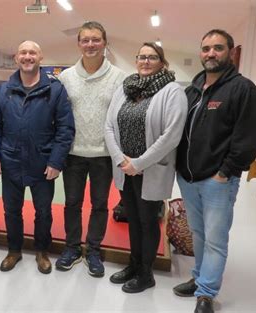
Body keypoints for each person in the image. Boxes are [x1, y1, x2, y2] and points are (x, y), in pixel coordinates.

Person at [173, 29, 256, 313]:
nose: (210, 53)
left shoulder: (242, 89)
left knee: (215, 238)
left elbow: (247, 139)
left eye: (217, 48)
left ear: (230, 52)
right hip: (188, 178)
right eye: (206, 49)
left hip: (217, 181)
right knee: (198, 233)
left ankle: (207, 293)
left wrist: (225, 172)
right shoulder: (194, 88)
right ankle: (200, 278)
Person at [0, 40, 75, 274]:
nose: (27, 56)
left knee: (43, 212)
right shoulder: (4, 90)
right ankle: (14, 250)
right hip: (10, 160)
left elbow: (65, 129)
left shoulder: (55, 90)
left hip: (43, 163)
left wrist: (56, 161)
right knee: (11, 210)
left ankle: (42, 251)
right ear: (16, 58)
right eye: (23, 52)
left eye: (32, 52)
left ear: (41, 57)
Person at [104, 42, 187, 293]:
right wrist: (121, 160)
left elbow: (172, 135)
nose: (146, 61)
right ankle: (133, 264)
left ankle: (146, 273)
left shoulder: (173, 91)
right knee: (132, 220)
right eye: (141, 56)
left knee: (148, 222)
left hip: (150, 170)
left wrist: (138, 163)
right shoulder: (125, 88)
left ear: (162, 62)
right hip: (125, 169)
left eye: (152, 57)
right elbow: (108, 126)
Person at [56, 21, 126, 277]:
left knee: (99, 206)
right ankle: (72, 248)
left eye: (96, 39)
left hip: (104, 156)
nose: (90, 44)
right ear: (78, 44)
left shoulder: (119, 77)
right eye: (85, 40)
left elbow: (123, 117)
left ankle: (93, 251)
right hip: (73, 155)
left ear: (105, 43)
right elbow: (59, 117)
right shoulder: (65, 77)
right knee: (72, 204)